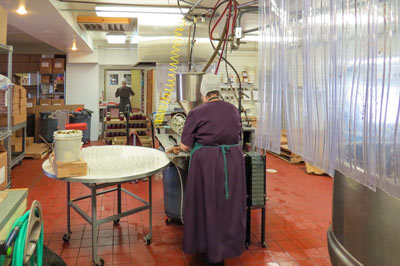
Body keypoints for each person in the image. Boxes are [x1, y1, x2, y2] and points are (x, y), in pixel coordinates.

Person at [179, 73, 246, 265]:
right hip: (232, 164)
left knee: (206, 204)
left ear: (203, 94)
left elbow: (185, 146)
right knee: (227, 206)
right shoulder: (233, 109)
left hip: (206, 165)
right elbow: (237, 134)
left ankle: (207, 248)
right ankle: (224, 248)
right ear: (219, 91)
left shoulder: (197, 112)